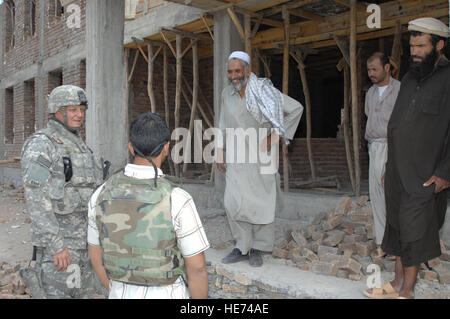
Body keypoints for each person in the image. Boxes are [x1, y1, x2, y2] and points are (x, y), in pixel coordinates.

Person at [364, 17, 450, 299]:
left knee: (414, 231)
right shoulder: (411, 77)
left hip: (426, 174)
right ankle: (397, 282)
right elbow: (396, 125)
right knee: (397, 227)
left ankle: (408, 291)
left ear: (439, 45)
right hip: (398, 170)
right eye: (412, 45)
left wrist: (445, 173)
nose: (414, 51)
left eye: (421, 45)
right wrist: (390, 165)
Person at [87, 112, 209, 299]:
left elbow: (95, 256)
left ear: (130, 147)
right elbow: (198, 268)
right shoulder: (177, 198)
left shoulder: (100, 194)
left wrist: (116, 291)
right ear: (167, 148)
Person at [217, 51, 303, 267]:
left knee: (261, 201)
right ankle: (241, 245)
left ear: (248, 70)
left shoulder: (264, 90)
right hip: (236, 153)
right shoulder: (226, 94)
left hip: (261, 154)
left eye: (238, 71)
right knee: (233, 200)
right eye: (230, 72)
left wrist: (275, 136)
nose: (234, 76)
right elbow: (222, 124)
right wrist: (220, 150)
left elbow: (295, 109)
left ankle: (257, 248)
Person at [20, 85, 105, 298]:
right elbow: (36, 200)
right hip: (59, 253)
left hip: (83, 249)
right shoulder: (42, 145)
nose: (79, 115)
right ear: (58, 111)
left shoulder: (81, 147)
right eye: (73, 109)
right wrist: (57, 246)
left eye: (82, 110)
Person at [365, 52, 401, 258]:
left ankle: (398, 243)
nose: (371, 73)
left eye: (375, 69)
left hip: (393, 147)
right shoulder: (370, 93)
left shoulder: (400, 89)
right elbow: (369, 115)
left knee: (393, 195)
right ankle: (382, 243)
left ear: (387, 68)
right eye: (369, 70)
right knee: (377, 196)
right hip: (375, 147)